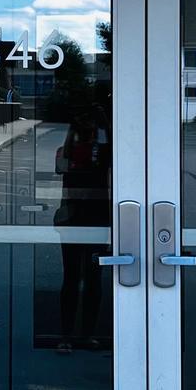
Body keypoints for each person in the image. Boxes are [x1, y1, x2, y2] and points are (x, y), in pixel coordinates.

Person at [53, 112, 110, 351]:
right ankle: (77, 334)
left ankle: (76, 335)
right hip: (87, 217)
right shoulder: (70, 152)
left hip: (83, 217)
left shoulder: (98, 152)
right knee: (80, 277)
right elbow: (62, 167)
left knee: (82, 277)